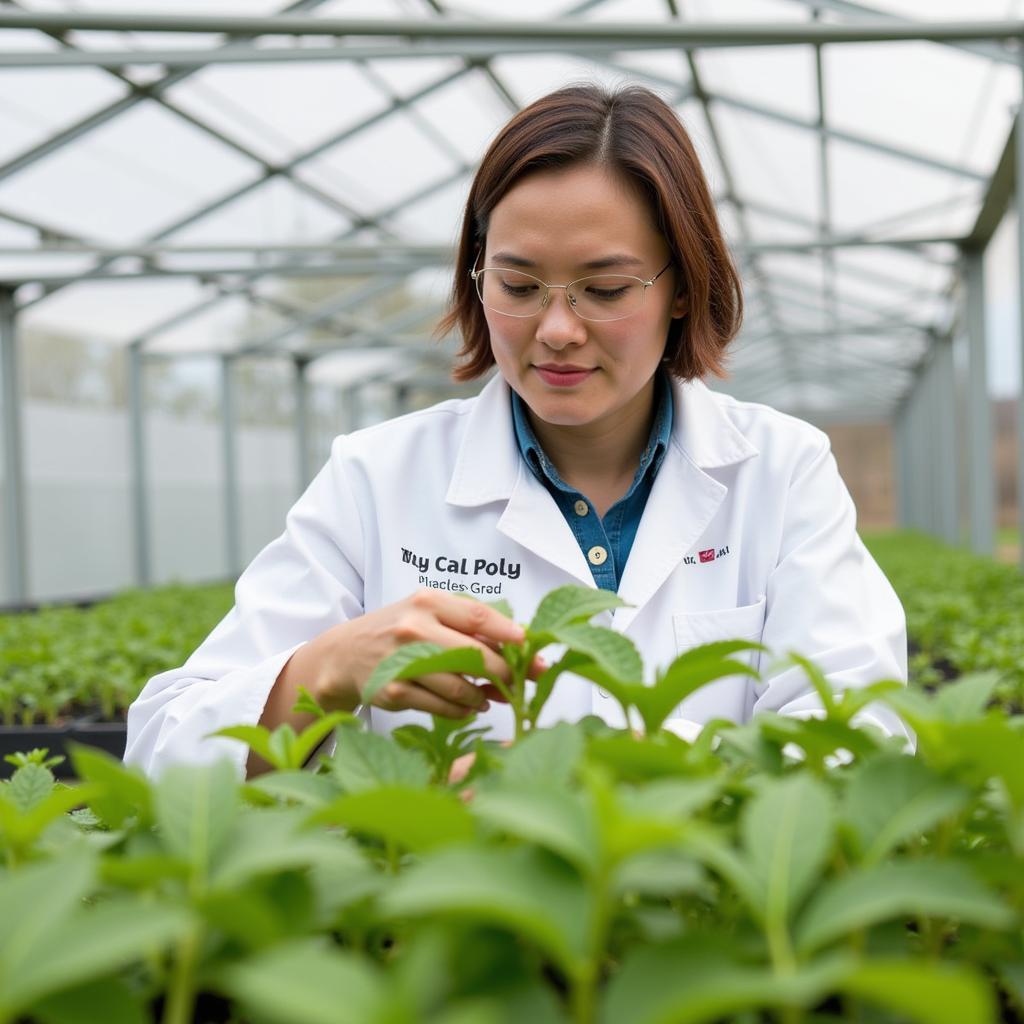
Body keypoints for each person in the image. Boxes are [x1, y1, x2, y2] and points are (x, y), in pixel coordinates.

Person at [124, 84, 911, 779]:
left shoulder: (779, 470)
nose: (558, 329)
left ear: (681, 286)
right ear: (477, 274)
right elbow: (163, 747)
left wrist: (580, 775)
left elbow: (859, 745)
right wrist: (323, 670)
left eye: (605, 288)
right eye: (519, 285)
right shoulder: (378, 476)